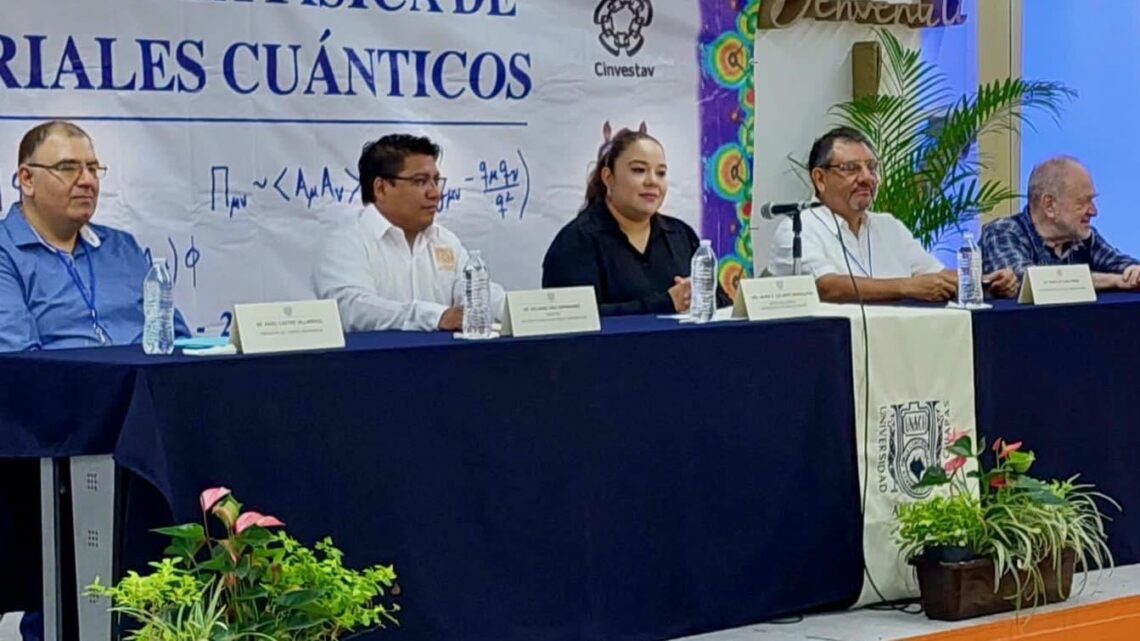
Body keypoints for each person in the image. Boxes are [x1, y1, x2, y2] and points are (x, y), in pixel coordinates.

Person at [767, 126, 1019, 302]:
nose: (867, 178)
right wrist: (906, 288)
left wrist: (984, 281)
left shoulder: (888, 226)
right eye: (851, 168)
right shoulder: (798, 228)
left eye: (872, 168)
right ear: (820, 179)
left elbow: (936, 275)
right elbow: (827, 288)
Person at [0, 120, 189, 351]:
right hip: (64, 385)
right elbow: (19, 361)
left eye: (92, 169)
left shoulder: (121, 247)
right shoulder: (6, 250)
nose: (87, 181)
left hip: (147, 382)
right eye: (68, 168)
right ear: (27, 180)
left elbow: (178, 340)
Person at [313, 134, 505, 332]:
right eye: (421, 182)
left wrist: (515, 310)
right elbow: (352, 309)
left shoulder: (446, 241)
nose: (435, 193)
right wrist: (435, 317)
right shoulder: (345, 241)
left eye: (436, 181)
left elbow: (477, 293)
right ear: (381, 189)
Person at [542, 127, 729, 315]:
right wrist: (667, 302)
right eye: (639, 170)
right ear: (608, 177)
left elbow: (723, 303)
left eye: (661, 173)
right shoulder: (577, 241)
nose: (652, 181)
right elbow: (572, 318)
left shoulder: (680, 234)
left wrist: (695, 295)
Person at [981, 156, 1140, 292]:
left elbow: (1122, 265)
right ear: (1049, 205)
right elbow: (1031, 281)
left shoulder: (1083, 237)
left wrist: (1133, 272)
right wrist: (1113, 281)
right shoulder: (1002, 232)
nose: (1093, 211)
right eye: (1083, 202)